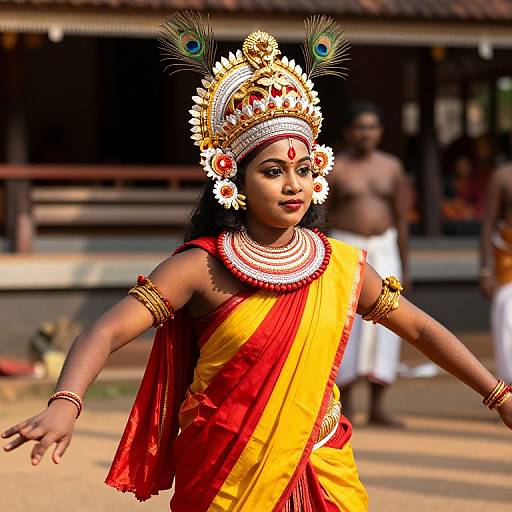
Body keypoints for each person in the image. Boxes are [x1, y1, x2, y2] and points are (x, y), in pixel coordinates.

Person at [3, 14, 512, 512]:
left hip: (320, 465)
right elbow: (107, 332)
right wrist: (64, 403)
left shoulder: (343, 266)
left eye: (304, 169)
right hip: (226, 471)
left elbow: (420, 330)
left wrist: (498, 395)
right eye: (273, 171)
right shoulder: (199, 268)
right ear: (234, 179)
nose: (293, 185)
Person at [327, 102, 410, 426]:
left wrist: (406, 263)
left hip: (385, 249)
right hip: (347, 247)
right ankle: (345, 404)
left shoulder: (391, 167)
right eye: (360, 127)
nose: (366, 133)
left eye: (373, 127)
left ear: (381, 132)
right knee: (346, 325)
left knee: (388, 322)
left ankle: (377, 405)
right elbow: (321, 215)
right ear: (348, 131)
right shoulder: (336, 168)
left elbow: (402, 218)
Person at [480, 163, 512, 386]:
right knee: (509, 325)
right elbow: (488, 225)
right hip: (508, 259)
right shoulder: (503, 176)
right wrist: (485, 270)